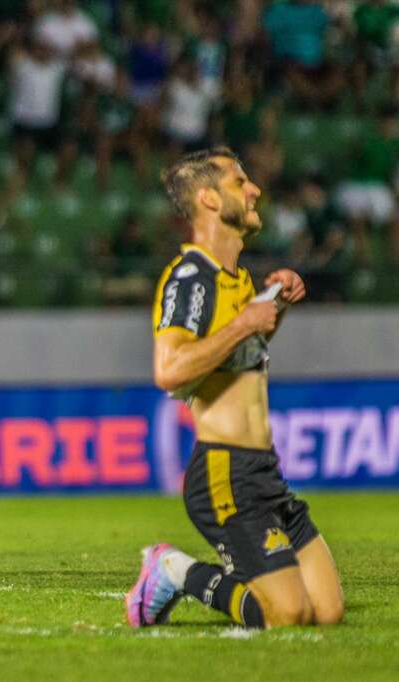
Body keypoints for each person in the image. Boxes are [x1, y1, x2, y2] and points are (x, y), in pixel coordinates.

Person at [126, 147, 344, 628]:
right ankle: (173, 570)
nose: (254, 190)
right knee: (287, 613)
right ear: (207, 199)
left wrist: (273, 309)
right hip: (226, 471)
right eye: (239, 181)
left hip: (264, 470)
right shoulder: (190, 279)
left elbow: (238, 355)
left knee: (326, 611)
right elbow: (170, 370)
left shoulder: (237, 280)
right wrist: (245, 324)